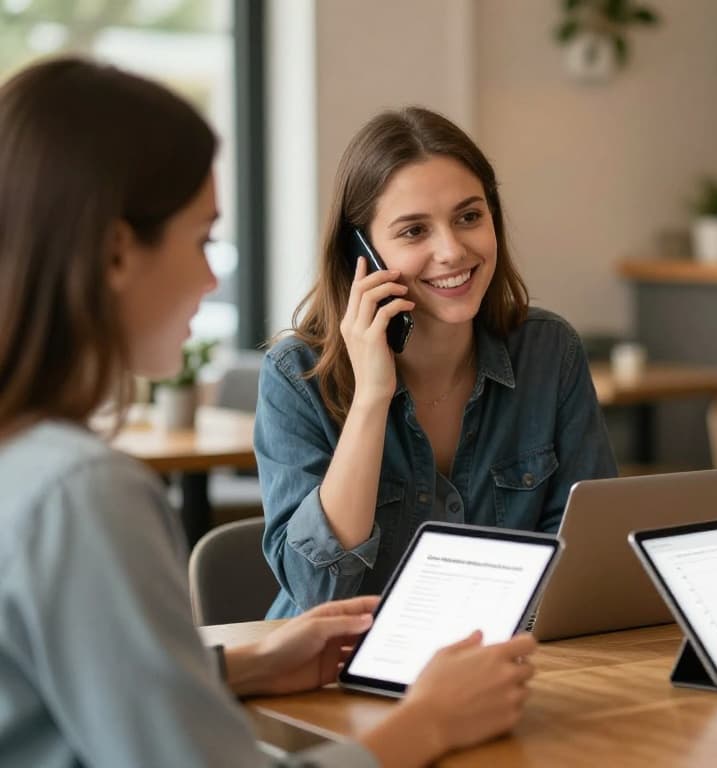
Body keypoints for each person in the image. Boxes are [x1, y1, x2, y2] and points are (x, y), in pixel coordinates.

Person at [0, 57, 537, 768]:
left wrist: (243, 667)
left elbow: (65, 696)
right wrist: (430, 723)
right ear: (117, 253)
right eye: (201, 239)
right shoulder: (83, 493)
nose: (211, 274)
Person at [255, 107, 617, 618]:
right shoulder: (297, 375)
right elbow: (320, 593)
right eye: (413, 231)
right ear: (361, 253)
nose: (451, 251)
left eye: (469, 217)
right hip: (335, 678)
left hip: (502, 663)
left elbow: (586, 560)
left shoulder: (549, 352)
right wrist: (371, 398)